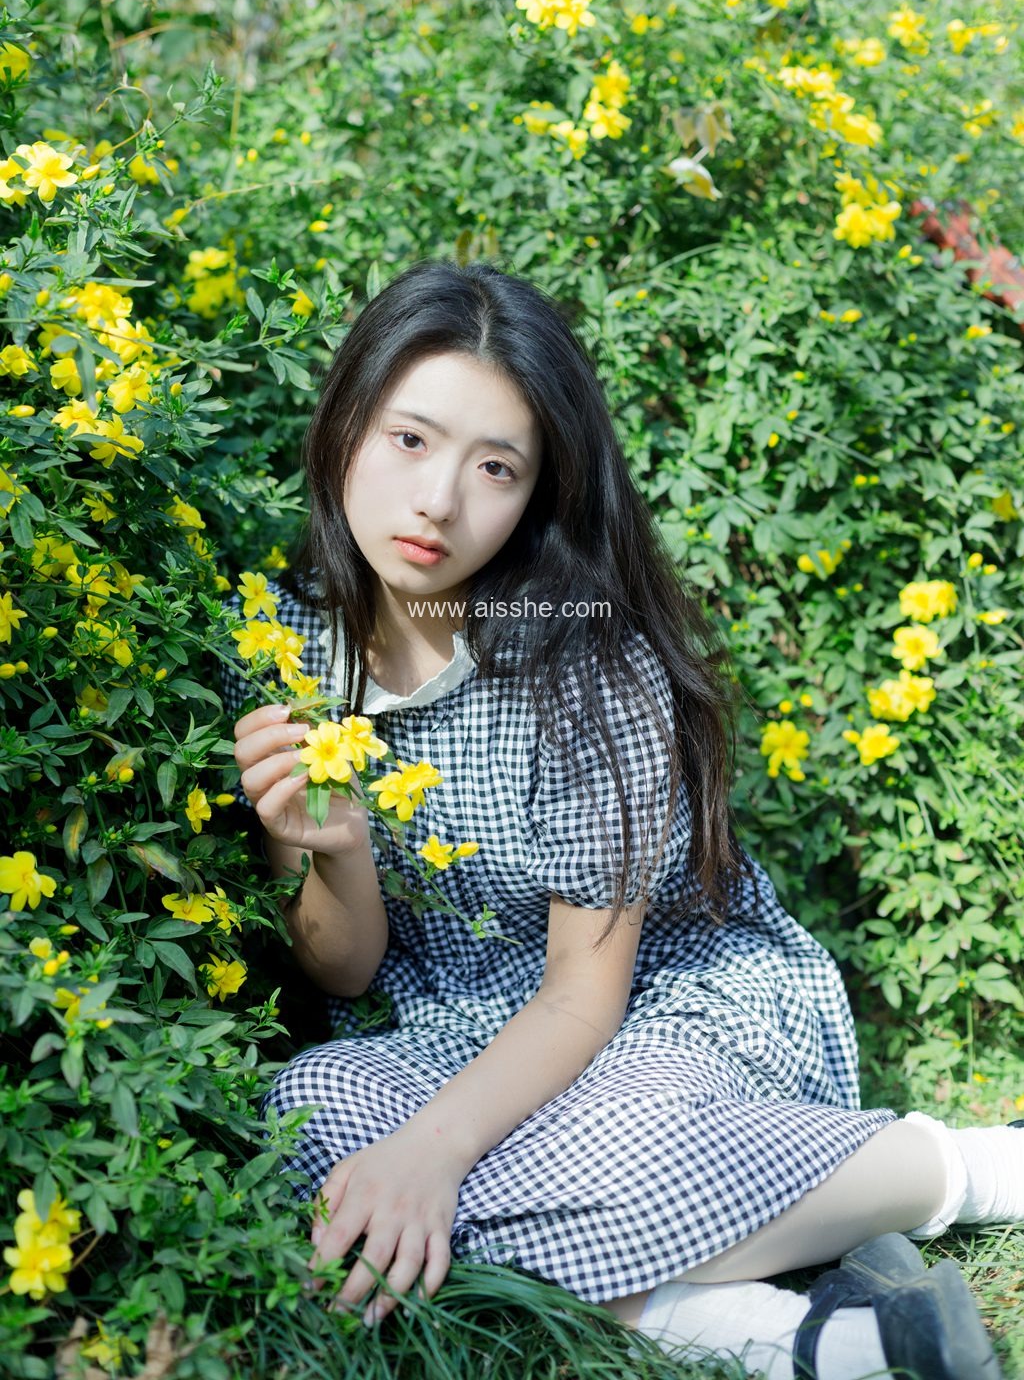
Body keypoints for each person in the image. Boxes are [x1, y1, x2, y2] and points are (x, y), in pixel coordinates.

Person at [219, 260, 1019, 1380]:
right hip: (444, 1029)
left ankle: (957, 1177)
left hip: (656, 1008)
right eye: (410, 439)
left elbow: (582, 995)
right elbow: (343, 972)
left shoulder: (590, 667)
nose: (438, 500)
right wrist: (338, 851)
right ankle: (796, 1308)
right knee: (307, 1117)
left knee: (603, 1148)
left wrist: (436, 1156)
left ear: (536, 494)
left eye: (494, 467)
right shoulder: (280, 641)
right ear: (347, 423)